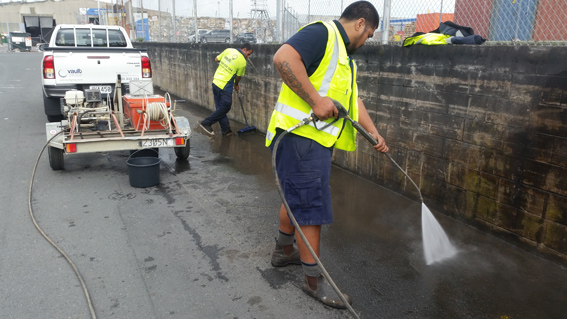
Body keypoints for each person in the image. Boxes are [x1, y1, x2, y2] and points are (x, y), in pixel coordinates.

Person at [266, 1, 388, 309]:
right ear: (360, 23)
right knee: (310, 208)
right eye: (370, 33)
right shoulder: (324, 34)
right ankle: (314, 283)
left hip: (307, 141)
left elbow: (353, 100)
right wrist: (315, 100)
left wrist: (372, 132)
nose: (368, 40)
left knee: (295, 197)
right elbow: (283, 58)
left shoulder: (345, 58)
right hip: (302, 137)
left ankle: (284, 252)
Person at [199, 43, 253, 136]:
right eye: (248, 54)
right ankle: (206, 122)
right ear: (244, 49)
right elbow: (238, 77)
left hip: (216, 82)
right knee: (226, 106)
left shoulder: (229, 50)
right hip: (225, 85)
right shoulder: (242, 62)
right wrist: (236, 85)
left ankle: (226, 130)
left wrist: (226, 62)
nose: (248, 57)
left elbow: (216, 59)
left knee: (220, 108)